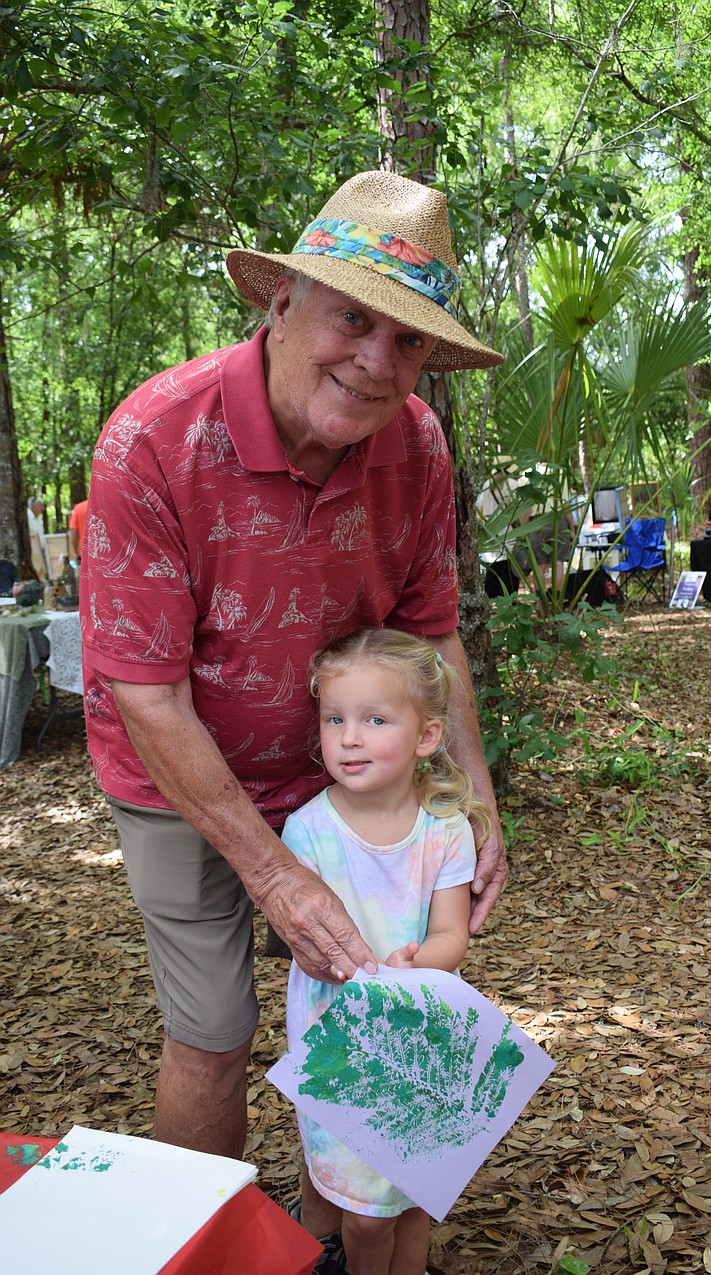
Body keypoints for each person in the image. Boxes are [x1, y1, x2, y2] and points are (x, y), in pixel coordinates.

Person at [79, 169, 507, 1260]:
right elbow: (146, 691)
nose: (376, 361)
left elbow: (431, 628)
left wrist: (474, 793)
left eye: (406, 340)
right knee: (213, 1033)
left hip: (347, 768)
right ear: (281, 303)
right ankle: (206, 1250)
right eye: (352, 319)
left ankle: (350, 1228)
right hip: (178, 772)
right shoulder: (152, 440)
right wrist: (274, 874)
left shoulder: (416, 444)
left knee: (385, 1000)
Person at [285, 628, 491, 1275]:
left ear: (427, 736)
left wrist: (412, 966)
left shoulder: (445, 829)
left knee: (412, 1199)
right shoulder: (307, 832)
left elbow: (452, 934)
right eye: (335, 719)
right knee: (366, 1215)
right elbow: (307, 942)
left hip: (420, 1036)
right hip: (338, 1043)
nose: (349, 737)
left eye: (374, 719)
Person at [27, 495, 50, 583]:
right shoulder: (27, 518)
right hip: (32, 553)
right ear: (34, 506)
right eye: (40, 506)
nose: (42, 508)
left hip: (40, 552)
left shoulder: (38, 520)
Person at [68, 497, 88, 562]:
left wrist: (75, 551)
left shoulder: (79, 508)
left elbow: (74, 532)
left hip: (85, 553)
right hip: (104, 553)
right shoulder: (107, 506)